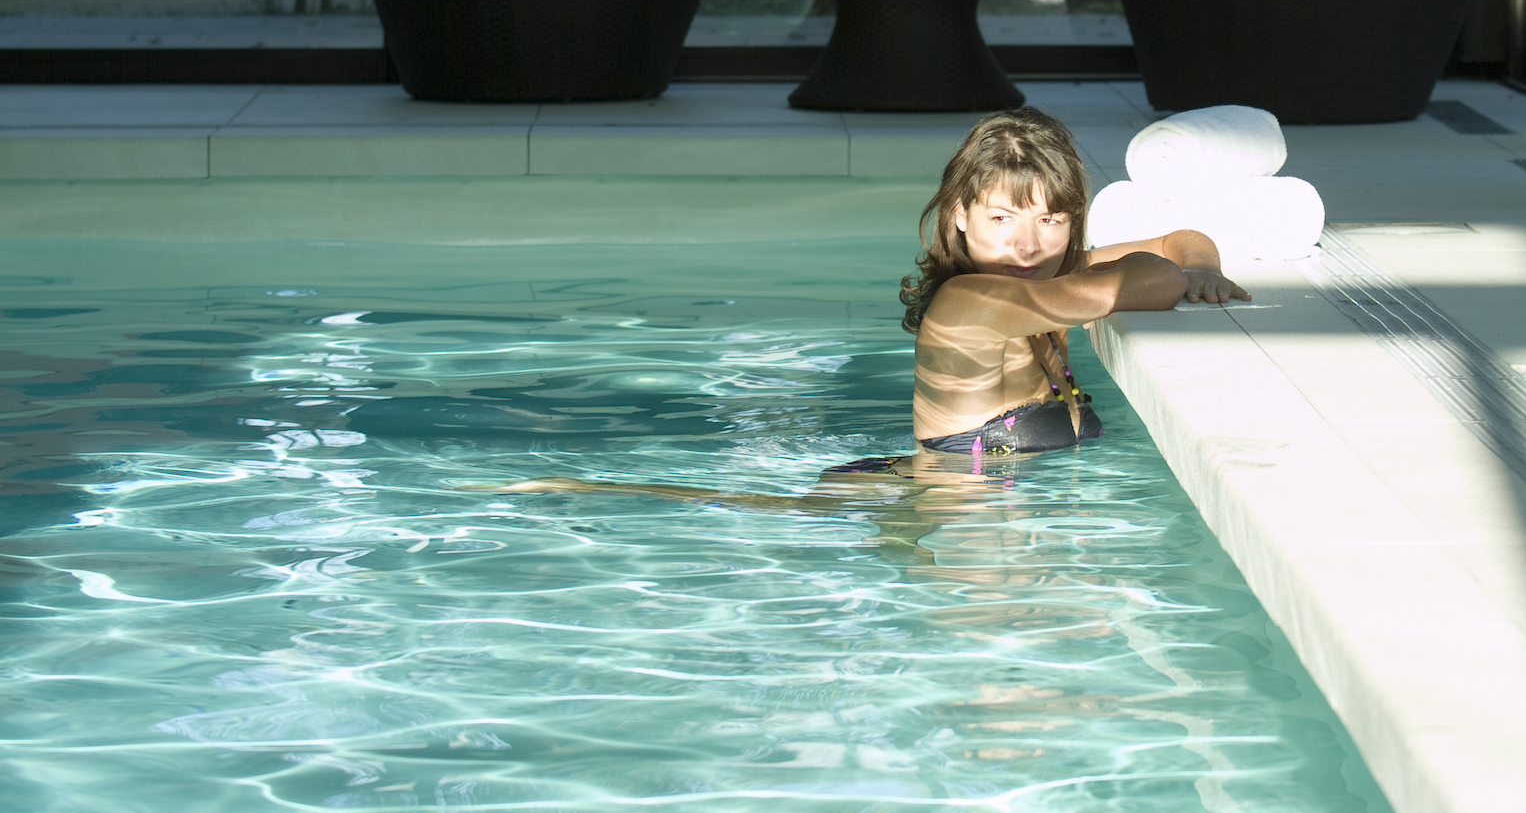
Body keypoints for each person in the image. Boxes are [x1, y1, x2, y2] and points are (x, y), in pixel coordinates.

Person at [468, 106, 1248, 507]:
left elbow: (1178, 243)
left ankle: (581, 489)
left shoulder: (1044, 275)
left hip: (949, 482)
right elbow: (1146, 280)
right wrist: (1169, 274)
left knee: (768, 509)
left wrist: (1205, 266)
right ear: (959, 218)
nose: (1027, 241)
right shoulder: (977, 300)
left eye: (1052, 219)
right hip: (952, 510)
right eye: (1003, 218)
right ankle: (577, 489)